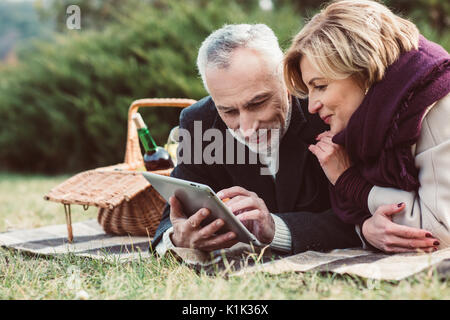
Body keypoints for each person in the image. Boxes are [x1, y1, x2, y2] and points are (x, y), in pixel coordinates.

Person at [151, 24, 363, 256]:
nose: (248, 128)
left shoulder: (326, 112)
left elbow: (360, 217)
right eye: (229, 111)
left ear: (287, 79)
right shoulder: (198, 121)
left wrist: (275, 229)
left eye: (258, 102)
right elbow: (170, 220)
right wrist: (177, 237)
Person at [283, 0, 449, 253]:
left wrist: (350, 182)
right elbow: (368, 219)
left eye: (321, 86)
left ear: (364, 69)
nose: (312, 106)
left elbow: (439, 232)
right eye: (309, 90)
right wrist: (367, 228)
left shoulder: (437, 106)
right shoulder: (368, 126)